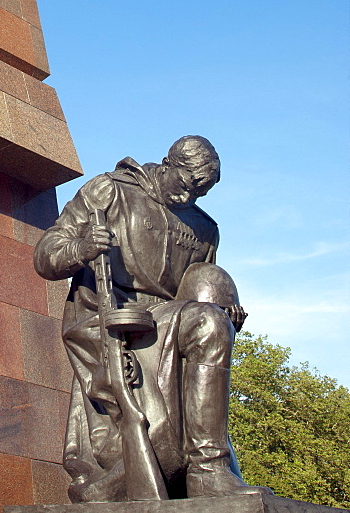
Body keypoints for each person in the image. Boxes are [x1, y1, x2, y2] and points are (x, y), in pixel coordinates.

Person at [34, 135, 271, 502]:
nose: (190, 198)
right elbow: (46, 256)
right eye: (188, 185)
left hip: (169, 322)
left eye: (201, 192)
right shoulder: (110, 191)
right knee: (205, 323)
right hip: (110, 319)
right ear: (168, 164)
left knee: (210, 322)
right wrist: (81, 248)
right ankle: (205, 469)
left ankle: (208, 471)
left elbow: (197, 292)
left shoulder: (204, 228)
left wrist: (225, 314)